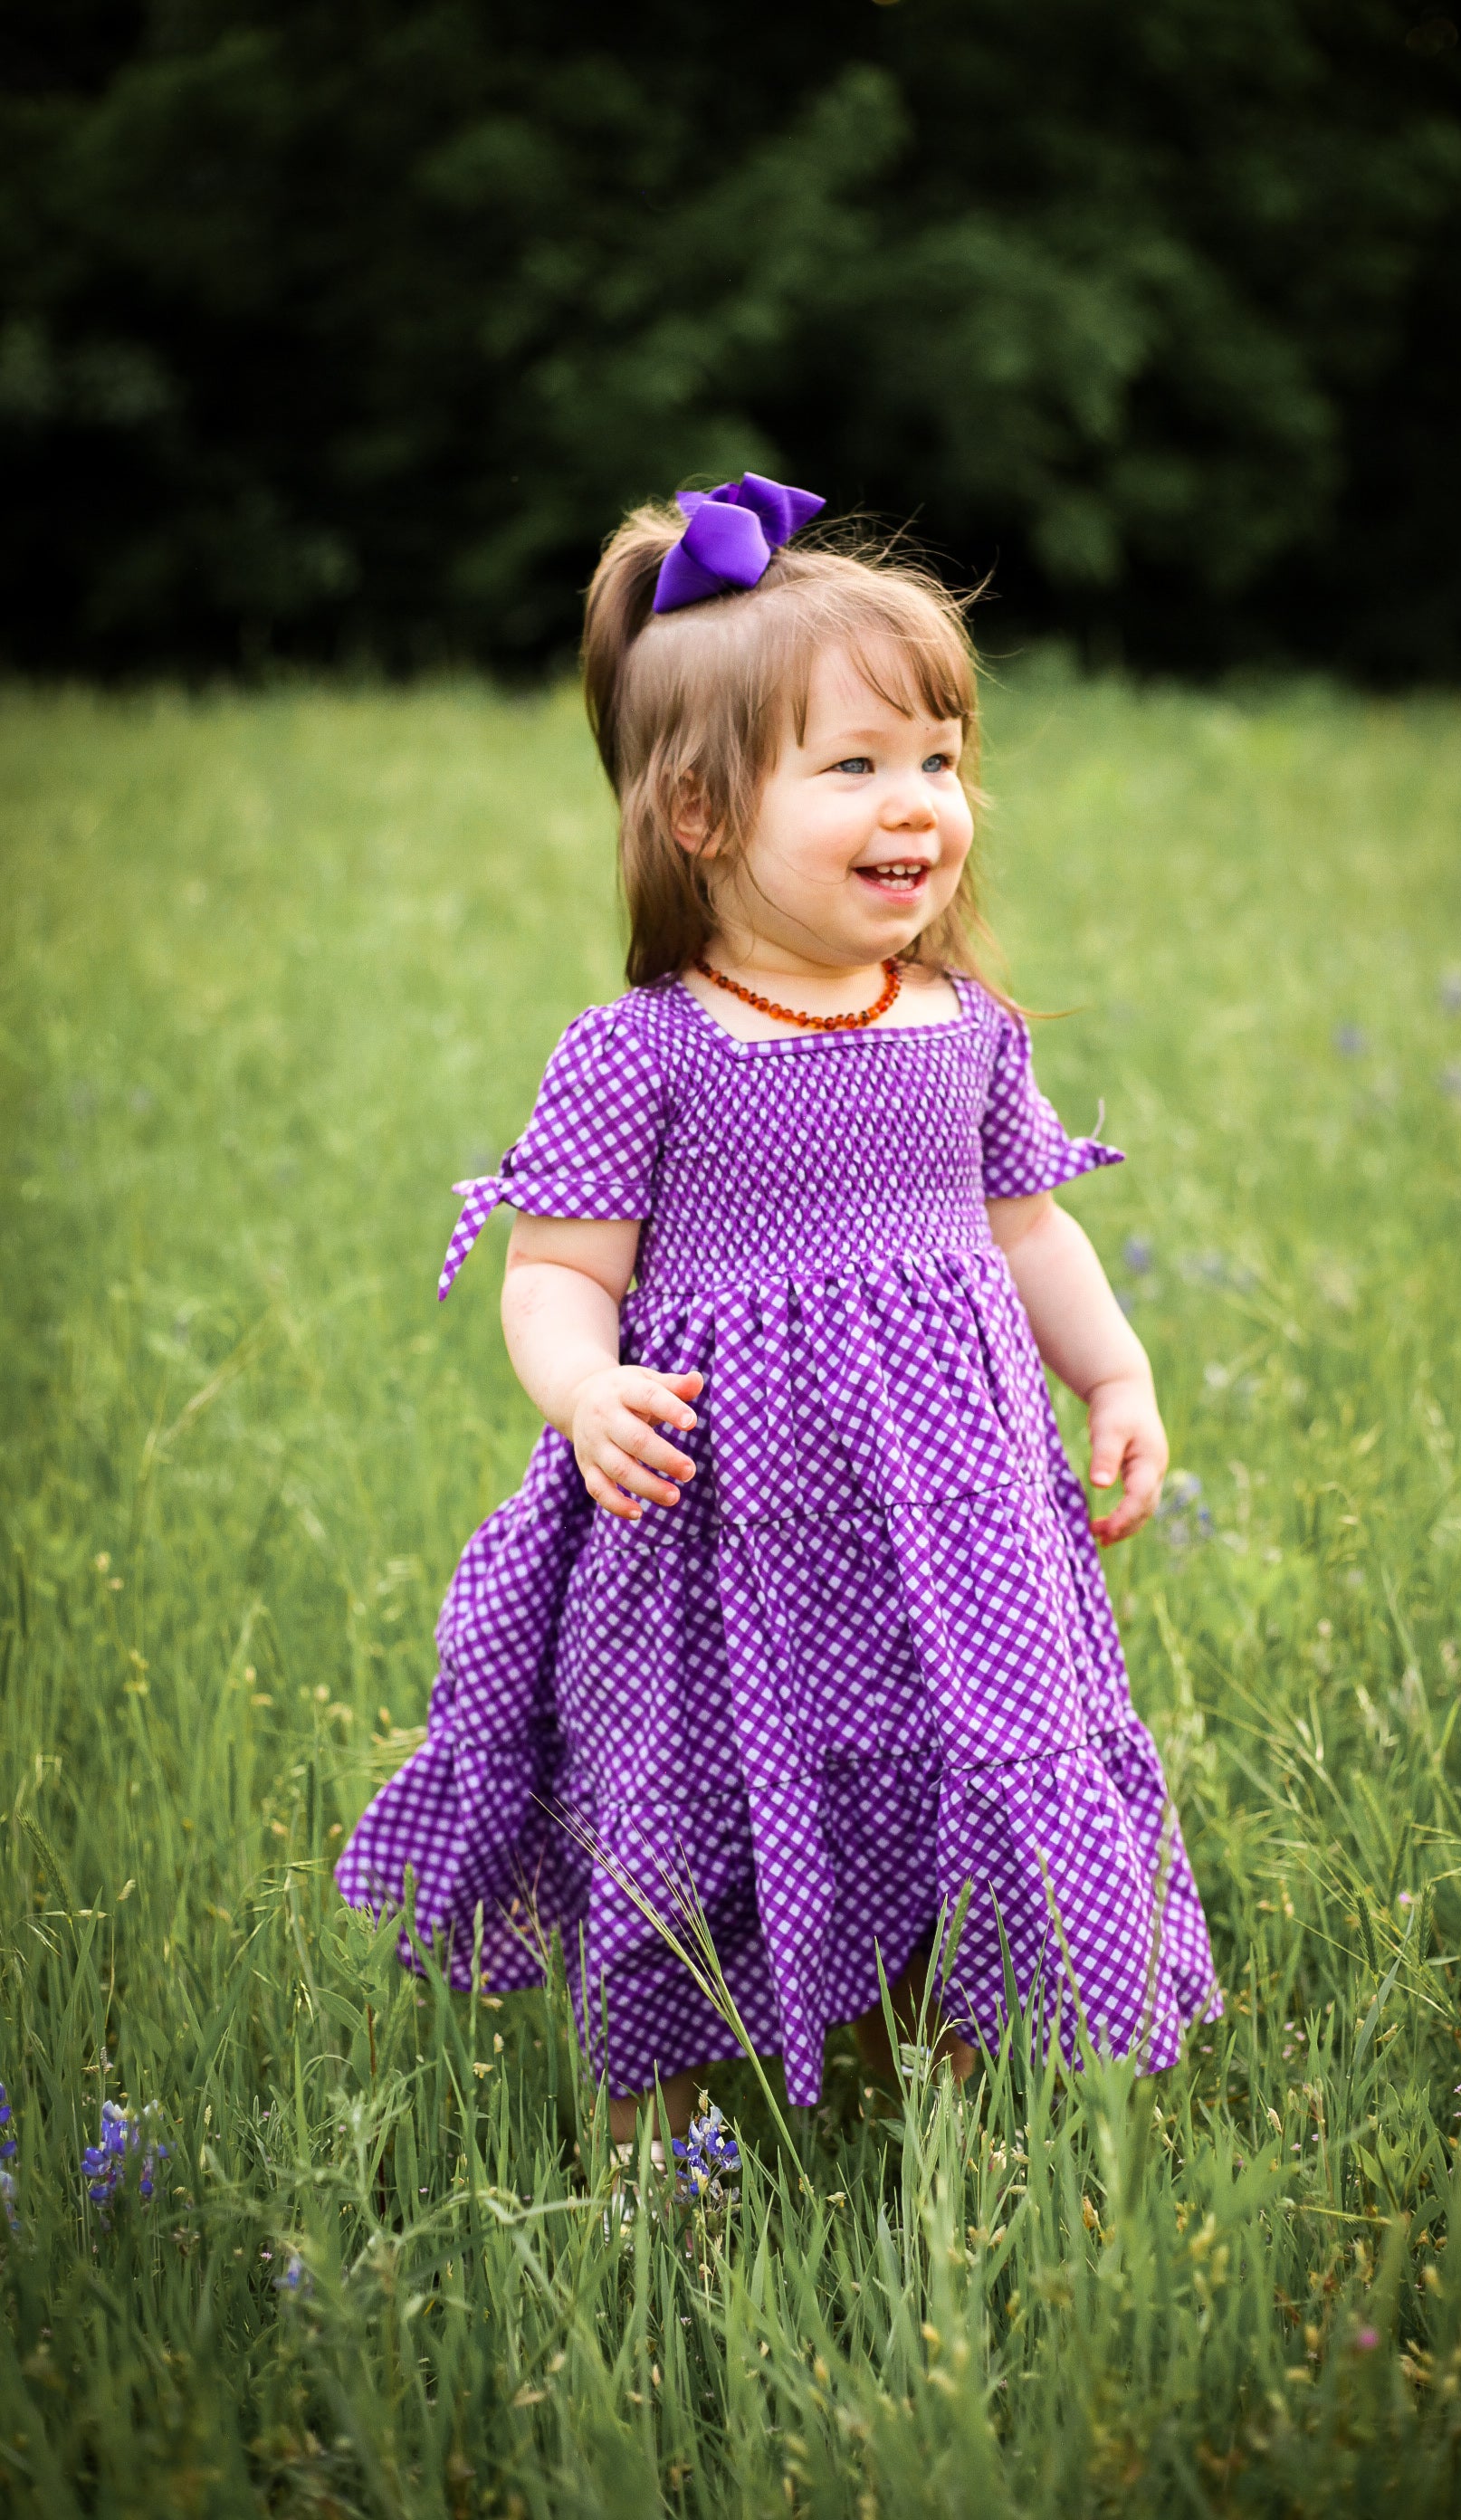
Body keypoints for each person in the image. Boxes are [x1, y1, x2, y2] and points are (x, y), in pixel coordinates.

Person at [337, 473, 1220, 2144]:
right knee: (698, 1804)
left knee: (979, 1773)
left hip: (960, 1528)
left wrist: (1114, 1372)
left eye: (941, 762)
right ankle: (666, 2138)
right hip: (721, 1527)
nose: (923, 806)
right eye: (858, 768)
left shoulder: (962, 1026)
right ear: (700, 815)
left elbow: (1029, 1234)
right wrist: (584, 1394)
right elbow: (556, 1273)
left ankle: (950, 2095)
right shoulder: (641, 1052)